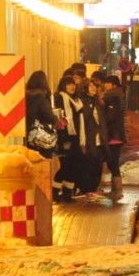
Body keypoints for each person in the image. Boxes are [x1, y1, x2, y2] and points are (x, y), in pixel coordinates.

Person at [52, 75, 84, 203]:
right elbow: (60, 118)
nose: (72, 86)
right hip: (65, 137)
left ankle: (67, 194)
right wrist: (63, 136)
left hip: (76, 137)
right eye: (69, 84)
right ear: (63, 86)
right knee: (65, 166)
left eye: (73, 84)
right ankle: (55, 192)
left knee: (74, 166)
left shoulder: (76, 100)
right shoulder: (60, 97)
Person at [75, 77, 108, 195]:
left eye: (94, 85)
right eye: (90, 86)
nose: (93, 87)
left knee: (98, 165)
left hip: (100, 138)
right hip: (88, 138)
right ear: (84, 89)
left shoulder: (98, 101)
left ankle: (93, 188)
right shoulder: (81, 102)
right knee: (88, 164)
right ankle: (86, 190)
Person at [101, 75, 128, 201]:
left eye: (107, 83)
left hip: (114, 134)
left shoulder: (111, 97)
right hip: (118, 134)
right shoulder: (119, 96)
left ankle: (117, 190)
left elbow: (111, 117)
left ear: (113, 85)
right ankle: (116, 189)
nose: (105, 85)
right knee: (113, 162)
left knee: (112, 162)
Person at [24, 70, 57, 160]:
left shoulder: (25, 95)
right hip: (41, 135)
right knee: (44, 160)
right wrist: (56, 120)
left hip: (28, 133)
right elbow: (48, 115)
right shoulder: (41, 97)